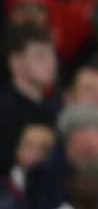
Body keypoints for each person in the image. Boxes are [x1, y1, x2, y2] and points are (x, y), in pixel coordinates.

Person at [0, 24, 60, 174]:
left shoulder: (55, 107)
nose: (50, 62)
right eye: (40, 56)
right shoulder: (4, 110)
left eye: (52, 54)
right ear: (15, 62)